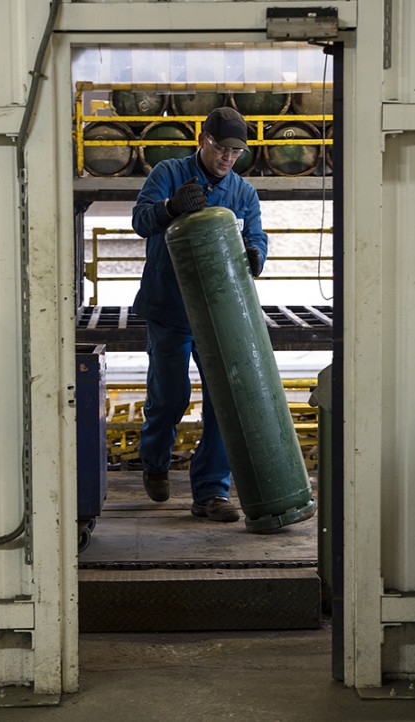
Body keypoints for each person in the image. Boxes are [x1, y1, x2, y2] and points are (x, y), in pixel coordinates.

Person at [132, 107, 268, 522]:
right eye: (221, 148)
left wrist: (255, 255)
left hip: (221, 315)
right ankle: (155, 462)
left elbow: (257, 234)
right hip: (170, 308)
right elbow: (140, 221)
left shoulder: (243, 192)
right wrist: (171, 207)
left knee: (223, 404)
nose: (228, 158)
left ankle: (211, 492)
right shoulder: (168, 174)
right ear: (203, 141)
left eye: (236, 151)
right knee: (170, 396)